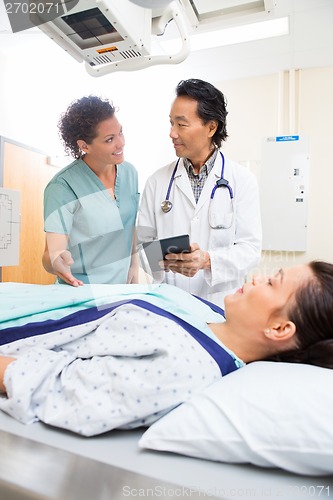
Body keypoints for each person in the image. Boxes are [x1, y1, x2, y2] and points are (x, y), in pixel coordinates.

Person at [0, 260, 332, 436]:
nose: (258, 278)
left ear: (279, 328)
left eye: (272, 282)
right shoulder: (213, 315)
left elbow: (56, 388)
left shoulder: (184, 367)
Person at [137, 78, 262, 307]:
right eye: (171, 123)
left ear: (211, 127)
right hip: (171, 304)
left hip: (221, 305)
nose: (172, 133)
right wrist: (168, 260)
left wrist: (206, 261)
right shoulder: (156, 182)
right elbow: (142, 246)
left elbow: (250, 250)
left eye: (181, 124)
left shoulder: (242, 181)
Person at [42, 95, 140, 287]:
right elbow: (49, 254)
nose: (121, 143)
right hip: (80, 292)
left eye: (120, 132)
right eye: (110, 139)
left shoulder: (130, 173)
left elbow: (130, 222)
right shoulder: (63, 186)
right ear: (84, 145)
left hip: (120, 290)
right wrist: (56, 259)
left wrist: (133, 263)